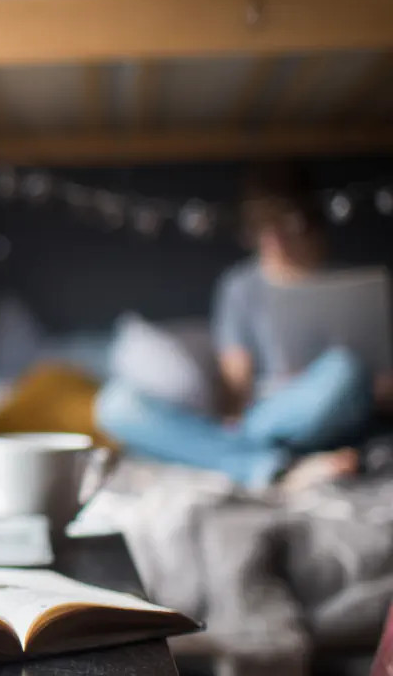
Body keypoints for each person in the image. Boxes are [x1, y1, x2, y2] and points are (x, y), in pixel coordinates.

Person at [95, 163, 393, 490]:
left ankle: (235, 457)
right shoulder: (241, 287)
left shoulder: (360, 285)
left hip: (338, 409)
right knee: (117, 405)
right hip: (270, 412)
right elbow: (236, 386)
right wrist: (234, 409)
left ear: (311, 224)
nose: (274, 239)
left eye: (286, 224)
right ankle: (279, 466)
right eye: (263, 227)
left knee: (344, 369)